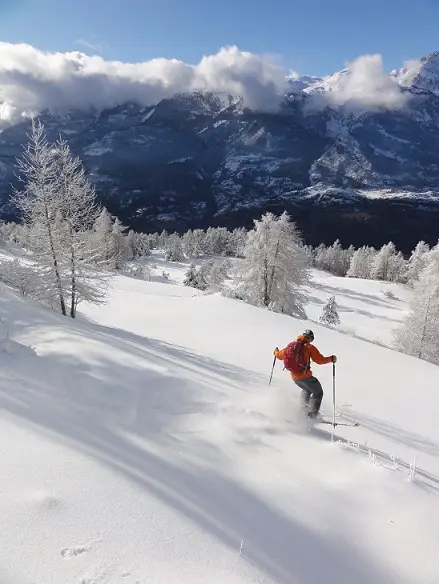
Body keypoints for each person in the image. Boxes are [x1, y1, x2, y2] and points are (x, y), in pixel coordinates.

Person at [273, 329, 336, 419]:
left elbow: (279, 355)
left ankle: (302, 412)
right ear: (310, 338)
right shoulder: (309, 347)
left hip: (295, 377)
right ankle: (312, 415)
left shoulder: (291, 346)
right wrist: (331, 359)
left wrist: (275, 351)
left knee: (307, 390)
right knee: (318, 393)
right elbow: (319, 360)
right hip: (305, 376)